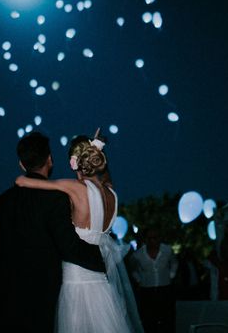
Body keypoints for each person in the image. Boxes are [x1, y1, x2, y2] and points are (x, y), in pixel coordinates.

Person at [15, 131, 143, 333]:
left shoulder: (75, 188)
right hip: (102, 286)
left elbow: (23, 182)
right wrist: (96, 149)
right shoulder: (112, 194)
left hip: (75, 283)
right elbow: (105, 178)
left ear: (74, 163)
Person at [0, 131, 106, 333]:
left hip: (8, 302)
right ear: (49, 160)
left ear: (21, 164)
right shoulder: (55, 199)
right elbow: (68, 247)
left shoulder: (1, 202)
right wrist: (103, 259)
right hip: (43, 299)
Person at [128, 227, 178, 333]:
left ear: (159, 238)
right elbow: (133, 269)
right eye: (149, 238)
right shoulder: (138, 255)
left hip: (165, 289)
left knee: (167, 319)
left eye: (155, 237)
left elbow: (174, 262)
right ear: (145, 239)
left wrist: (171, 275)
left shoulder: (167, 250)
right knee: (149, 321)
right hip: (147, 291)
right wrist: (139, 280)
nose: (152, 241)